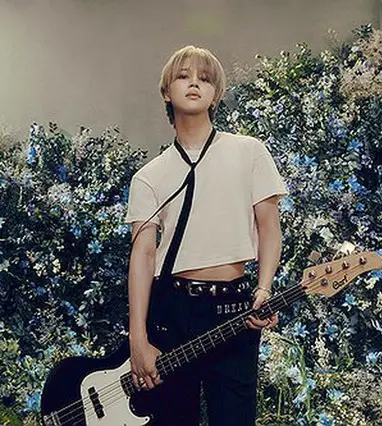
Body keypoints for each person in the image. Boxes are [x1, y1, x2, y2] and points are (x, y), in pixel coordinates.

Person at [124, 44, 288, 426]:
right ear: (167, 92)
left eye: (205, 78)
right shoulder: (148, 176)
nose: (194, 83)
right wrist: (137, 339)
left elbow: (269, 228)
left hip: (234, 305)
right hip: (173, 310)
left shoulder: (249, 151)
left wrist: (263, 289)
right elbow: (142, 256)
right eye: (183, 76)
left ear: (216, 94)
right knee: (172, 419)